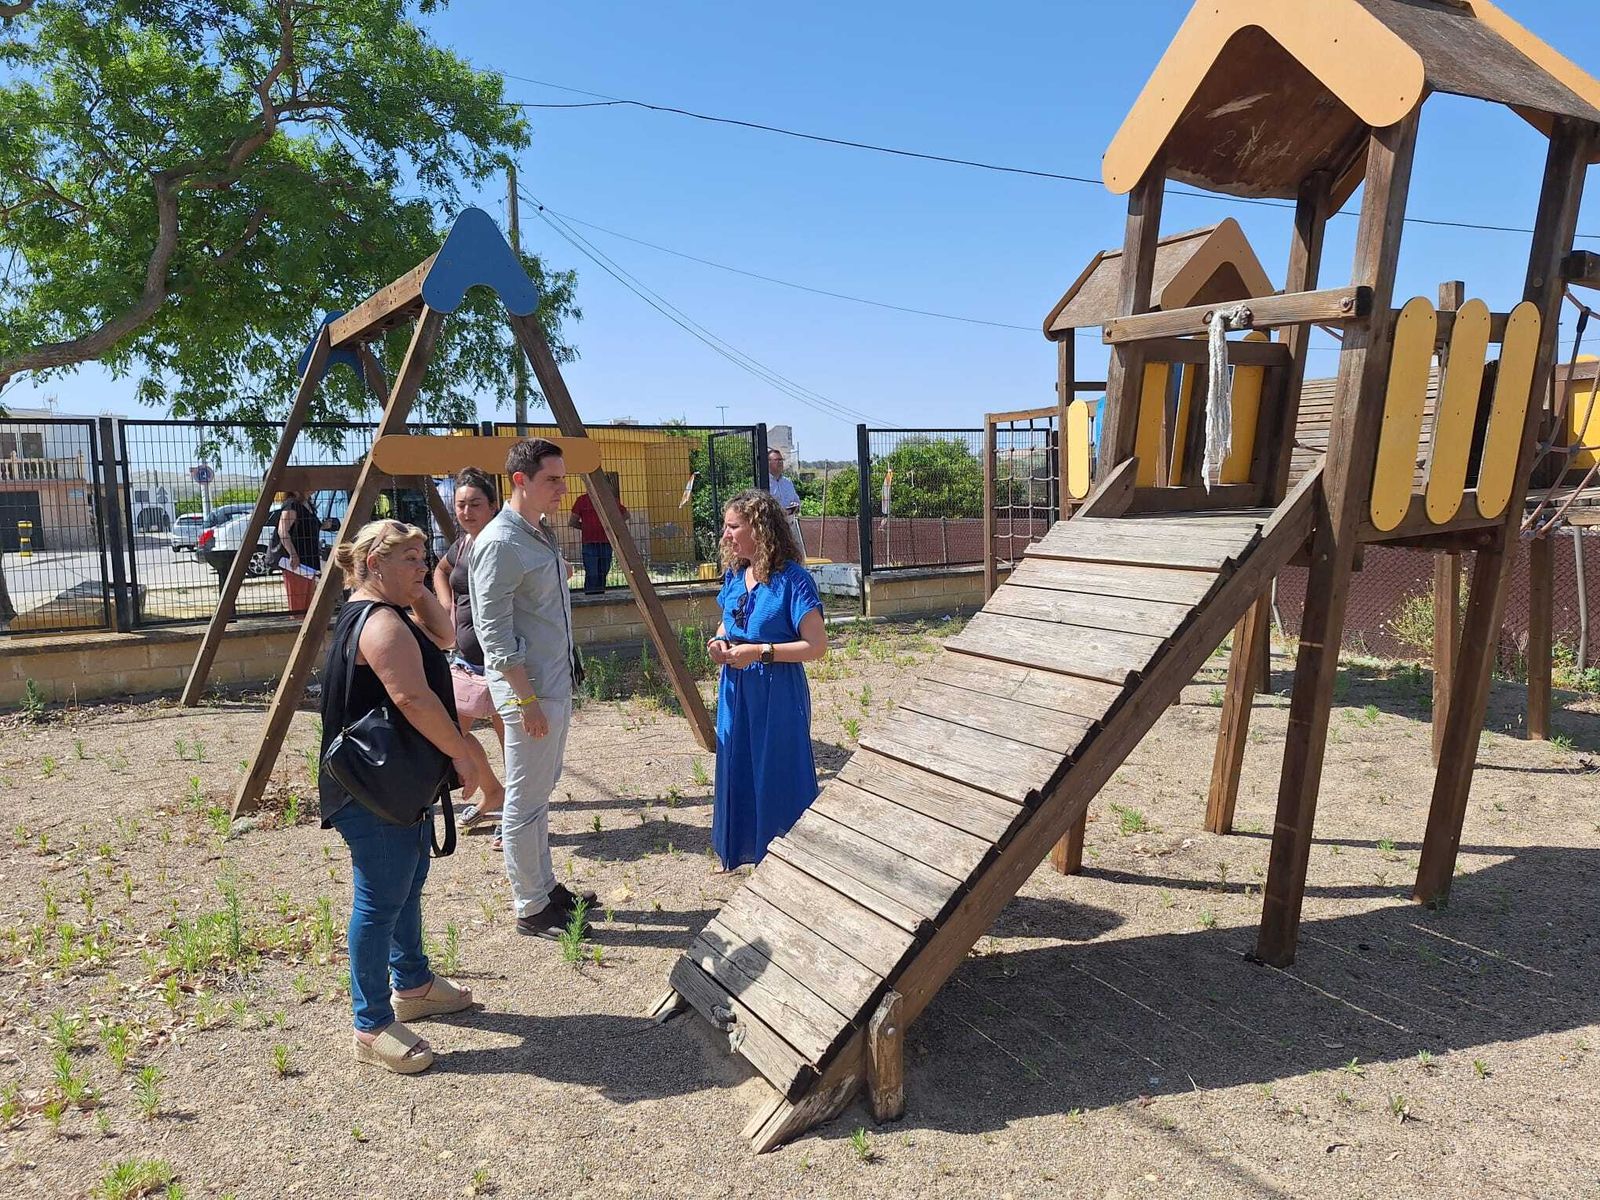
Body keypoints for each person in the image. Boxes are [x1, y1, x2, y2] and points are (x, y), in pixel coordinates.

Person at [318, 519, 488, 1075]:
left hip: (393, 781)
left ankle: (412, 982)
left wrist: (417, 590)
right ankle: (369, 1024)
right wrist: (462, 755)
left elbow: (444, 636)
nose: (423, 566)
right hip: (373, 786)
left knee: (408, 878)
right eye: (410, 559)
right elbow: (414, 700)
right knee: (379, 898)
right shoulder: (380, 624)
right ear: (374, 564)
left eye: (424, 556)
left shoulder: (389, 610)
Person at [471, 439, 596, 938]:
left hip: (551, 684)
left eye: (563, 479)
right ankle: (530, 905)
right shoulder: (502, 541)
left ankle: (545, 889)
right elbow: (494, 633)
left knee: (540, 791)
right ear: (520, 481)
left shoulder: (535, 532)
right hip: (531, 693)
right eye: (552, 480)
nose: (562, 489)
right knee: (524, 798)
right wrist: (525, 700)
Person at [706, 489, 828, 871]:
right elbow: (728, 621)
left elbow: (816, 645)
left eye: (733, 527)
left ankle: (792, 858)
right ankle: (747, 847)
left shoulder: (794, 581)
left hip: (776, 692)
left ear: (758, 529)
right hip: (736, 689)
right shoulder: (735, 575)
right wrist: (719, 641)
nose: (726, 535)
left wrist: (760, 652)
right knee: (738, 764)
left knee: (777, 769)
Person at [431, 468, 507, 838]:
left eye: (475, 504)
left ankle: (519, 820)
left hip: (502, 662)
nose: (466, 511)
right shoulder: (461, 544)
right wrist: (446, 605)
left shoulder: (502, 543)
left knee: (512, 741)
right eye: (460, 504)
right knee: (451, 730)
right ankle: (493, 792)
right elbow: (440, 572)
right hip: (465, 661)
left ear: (493, 506)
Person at [567, 471, 628, 595]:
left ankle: (601, 596)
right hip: (590, 543)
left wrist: (613, 527)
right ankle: (591, 598)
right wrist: (587, 528)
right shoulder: (582, 500)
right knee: (592, 573)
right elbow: (572, 521)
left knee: (603, 572)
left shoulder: (610, 500)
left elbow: (626, 515)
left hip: (606, 542)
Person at [275, 489, 322, 615]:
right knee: (298, 607)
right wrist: (293, 554)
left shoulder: (308, 504)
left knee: (309, 607)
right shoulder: (291, 504)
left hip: (310, 563)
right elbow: (282, 531)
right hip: (296, 565)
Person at [766, 449, 806, 560]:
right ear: (768, 462)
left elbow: (797, 501)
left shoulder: (787, 482)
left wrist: (795, 506)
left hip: (790, 526)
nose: (780, 463)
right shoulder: (764, 483)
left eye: (781, 460)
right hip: (774, 528)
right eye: (777, 460)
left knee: (797, 558)